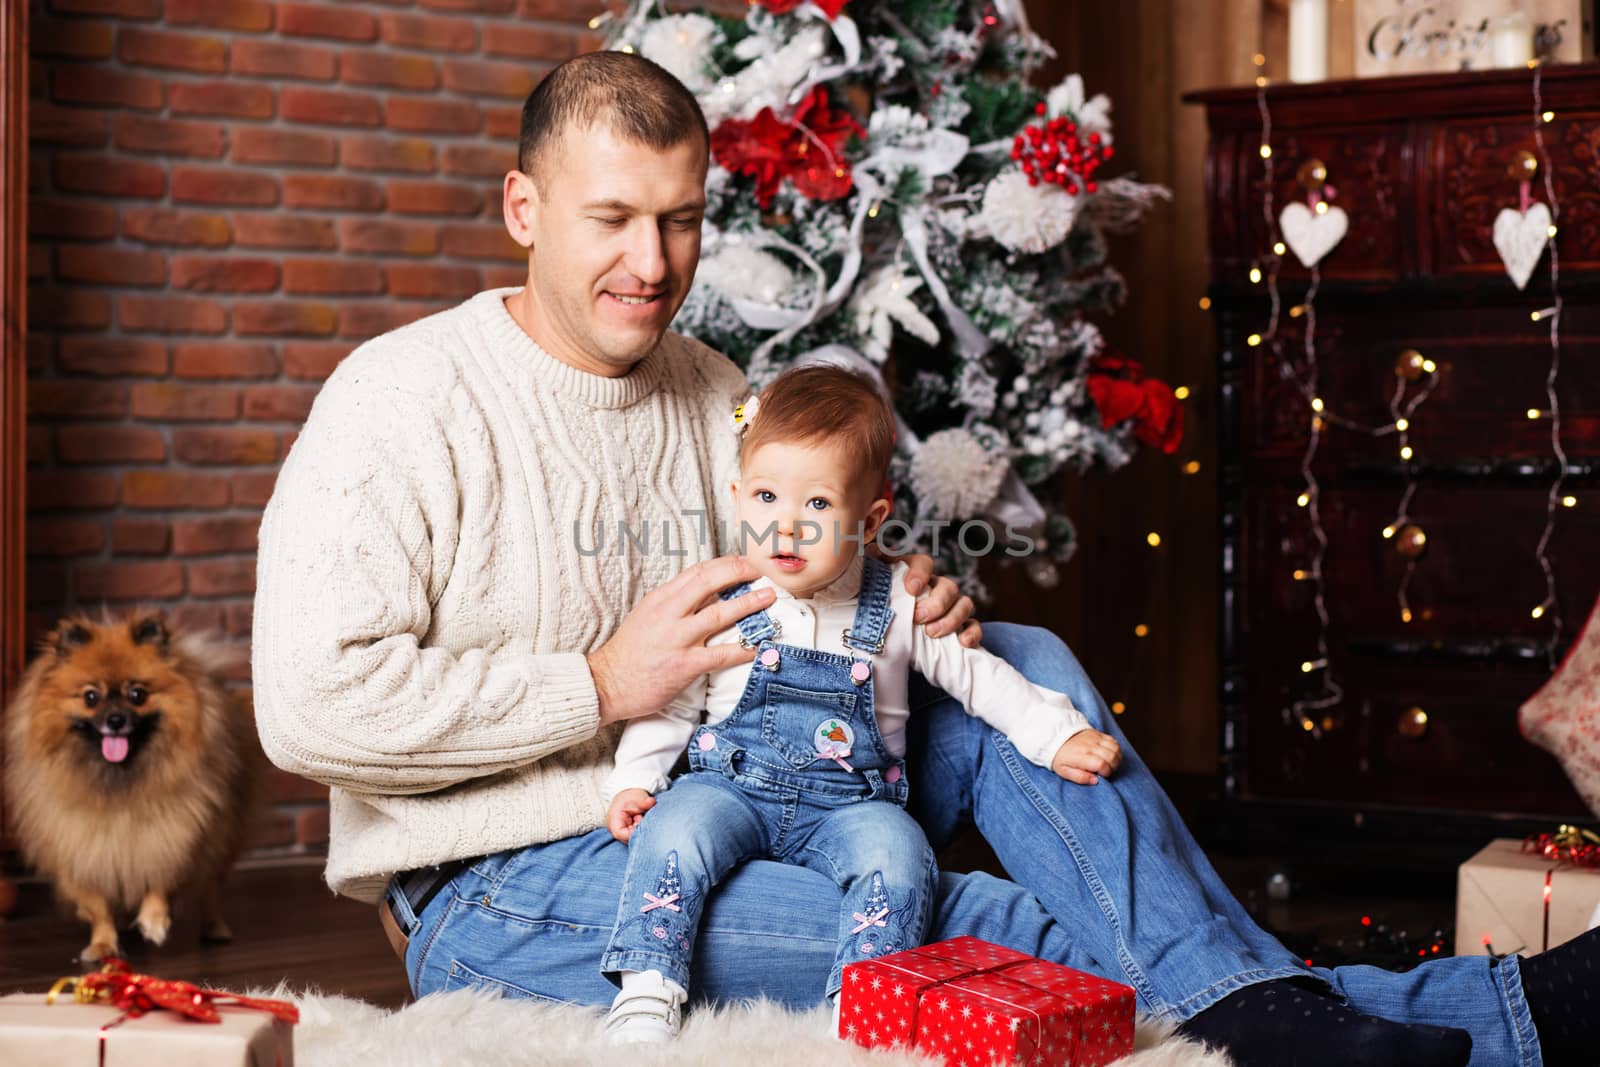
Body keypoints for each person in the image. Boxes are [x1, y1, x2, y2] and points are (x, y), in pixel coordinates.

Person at [252, 50, 1600, 1067]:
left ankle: (1271, 1017)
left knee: (1021, 659)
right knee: (960, 927)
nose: (650, 262)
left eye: (679, 220)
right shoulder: (400, 400)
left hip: (757, 764)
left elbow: (796, 587)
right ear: (522, 208)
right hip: (512, 880)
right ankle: (1437, 1021)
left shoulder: (711, 379)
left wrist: (901, 602)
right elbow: (309, 705)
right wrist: (597, 683)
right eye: (611, 219)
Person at [597, 365, 1122, 1043]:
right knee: (673, 829)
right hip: (732, 787)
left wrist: (1052, 733)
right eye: (765, 496)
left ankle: (861, 1006)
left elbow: (978, 676)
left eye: (817, 505)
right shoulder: (726, 603)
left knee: (901, 856)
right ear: (737, 498)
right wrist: (636, 779)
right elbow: (672, 700)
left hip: (850, 806)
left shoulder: (899, 600)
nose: (786, 526)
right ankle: (648, 984)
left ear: (869, 518)